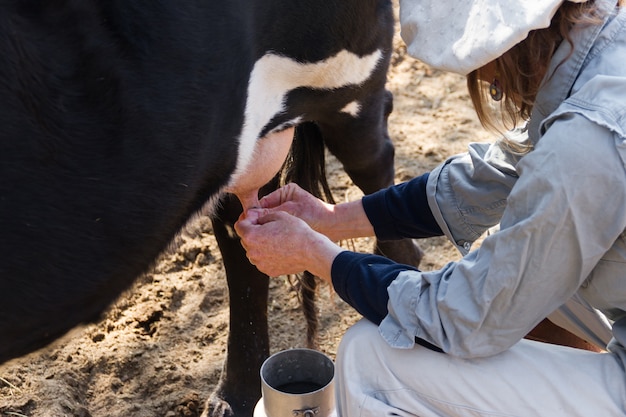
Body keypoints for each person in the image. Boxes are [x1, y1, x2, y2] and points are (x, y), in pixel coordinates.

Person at [235, 0, 626, 415]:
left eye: (480, 70)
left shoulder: (586, 140)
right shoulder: (603, 57)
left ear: (504, 50)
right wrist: (332, 220)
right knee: (527, 262)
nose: (487, 83)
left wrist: (320, 257)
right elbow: (495, 173)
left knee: (369, 356)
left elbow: (470, 315)